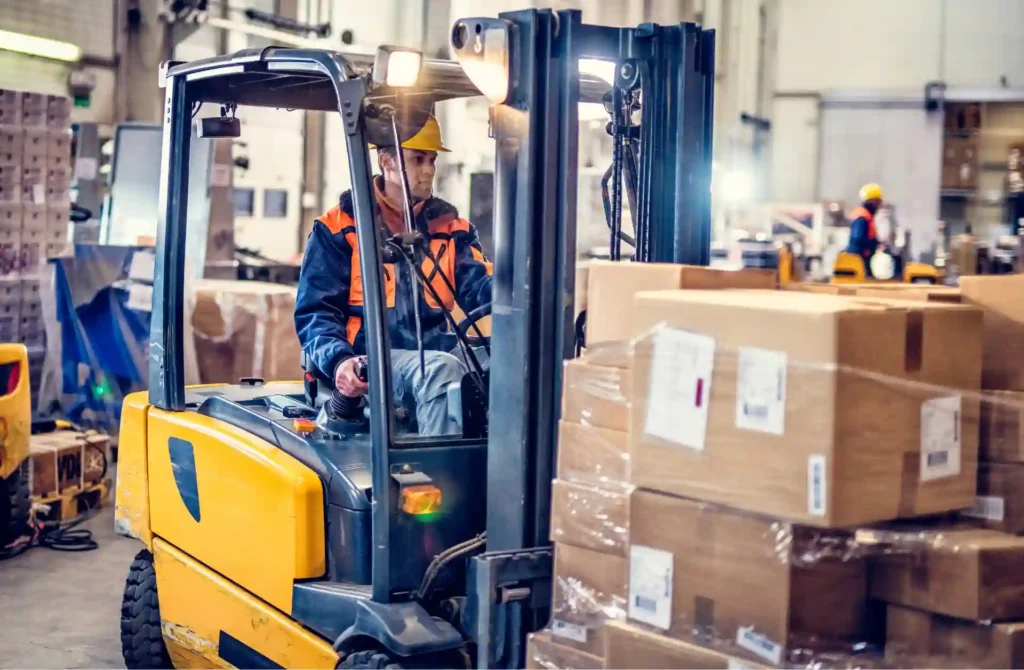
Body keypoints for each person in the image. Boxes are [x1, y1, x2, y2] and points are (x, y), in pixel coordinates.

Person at [295, 114, 493, 436]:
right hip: (369, 358)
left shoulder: (451, 228)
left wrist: (523, 288)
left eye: (432, 159)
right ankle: (441, 480)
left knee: (510, 365)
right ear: (386, 161)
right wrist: (339, 361)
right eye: (418, 159)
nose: (428, 169)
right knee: (439, 371)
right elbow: (315, 313)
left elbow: (480, 288)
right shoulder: (338, 229)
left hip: (435, 349)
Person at [846, 183, 883, 277]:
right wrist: (867, 249)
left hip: (864, 258)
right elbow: (857, 239)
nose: (878, 206)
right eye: (877, 202)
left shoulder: (866, 215)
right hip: (859, 260)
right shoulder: (862, 217)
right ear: (870, 201)